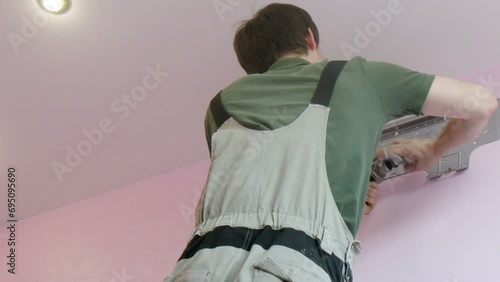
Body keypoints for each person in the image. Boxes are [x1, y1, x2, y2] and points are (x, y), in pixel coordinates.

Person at [165, 3, 498, 282]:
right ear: (310, 37)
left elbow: (259, 194)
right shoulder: (357, 76)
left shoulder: (218, 108)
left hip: (195, 267)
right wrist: (431, 151)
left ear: (255, 68)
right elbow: (481, 103)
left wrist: (348, 200)